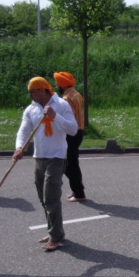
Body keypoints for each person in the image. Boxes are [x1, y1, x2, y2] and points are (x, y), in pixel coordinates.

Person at [13, 77, 78, 251]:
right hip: (39, 156)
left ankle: (55, 237)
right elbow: (24, 130)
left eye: (33, 91)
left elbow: (73, 129)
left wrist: (55, 116)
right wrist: (19, 147)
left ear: (43, 90)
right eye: (29, 92)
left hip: (57, 157)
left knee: (51, 195)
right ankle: (55, 231)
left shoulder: (62, 105)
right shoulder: (31, 109)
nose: (30, 95)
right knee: (44, 198)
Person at [54, 72, 87, 202]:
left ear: (62, 84)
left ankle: (79, 193)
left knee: (69, 164)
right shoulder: (76, 94)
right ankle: (76, 189)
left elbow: (69, 119)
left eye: (57, 83)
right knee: (72, 162)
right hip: (80, 131)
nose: (56, 85)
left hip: (71, 134)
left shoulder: (67, 99)